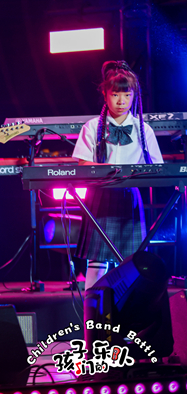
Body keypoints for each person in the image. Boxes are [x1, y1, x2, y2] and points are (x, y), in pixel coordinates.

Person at [72, 60, 163, 292]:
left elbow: (156, 166)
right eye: (115, 94)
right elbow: (83, 163)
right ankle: (91, 307)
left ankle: (128, 306)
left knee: (131, 261)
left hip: (129, 197)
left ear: (134, 96)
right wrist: (108, 169)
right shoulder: (92, 127)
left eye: (127, 95)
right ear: (105, 94)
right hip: (100, 197)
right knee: (97, 260)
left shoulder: (144, 129)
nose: (121, 101)